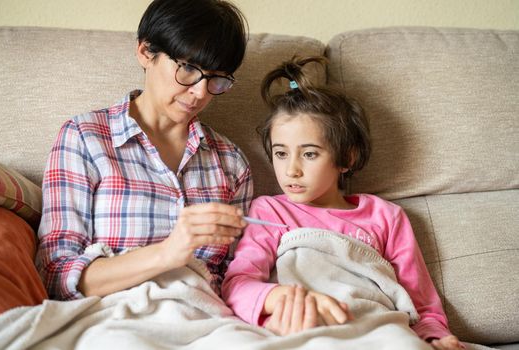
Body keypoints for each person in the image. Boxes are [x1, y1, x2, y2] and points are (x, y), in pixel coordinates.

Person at [222, 56, 464, 350]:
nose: (291, 170)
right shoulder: (270, 211)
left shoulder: (386, 216)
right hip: (304, 327)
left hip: (376, 326)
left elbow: (421, 303)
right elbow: (237, 284)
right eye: (281, 153)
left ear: (346, 159)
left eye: (309, 154)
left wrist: (437, 337)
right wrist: (281, 300)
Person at [36, 0, 253, 301]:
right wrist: (167, 253)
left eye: (216, 78)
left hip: (206, 319)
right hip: (113, 320)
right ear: (145, 52)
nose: (200, 92)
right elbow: (55, 275)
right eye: (188, 68)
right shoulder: (85, 138)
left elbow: (237, 278)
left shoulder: (231, 163)